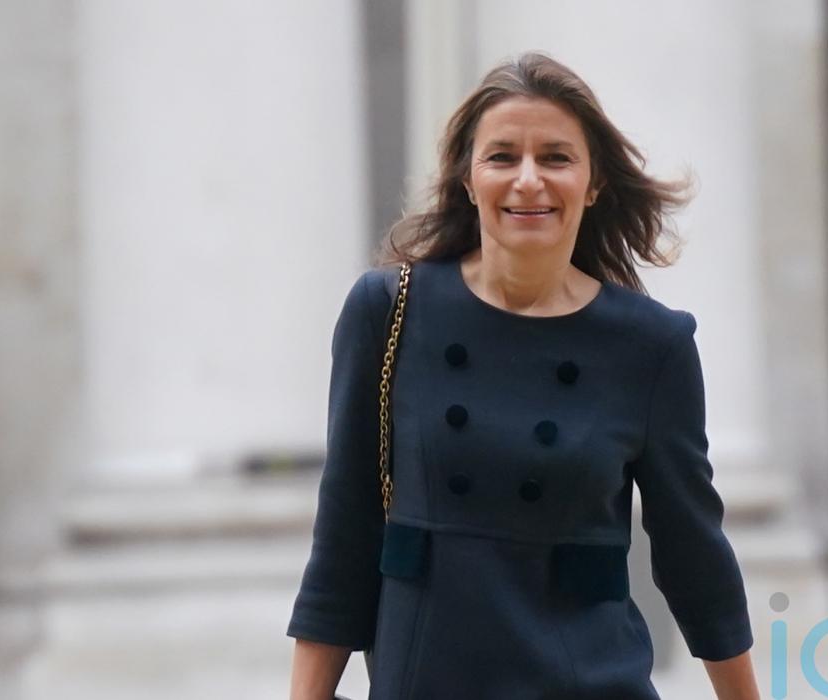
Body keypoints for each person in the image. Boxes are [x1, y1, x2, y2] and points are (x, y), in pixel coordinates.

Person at [287, 51, 762, 700]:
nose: (529, 180)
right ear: (467, 178)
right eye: (503, 157)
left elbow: (694, 556)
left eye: (556, 158)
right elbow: (345, 534)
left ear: (593, 182)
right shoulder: (388, 311)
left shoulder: (653, 345)